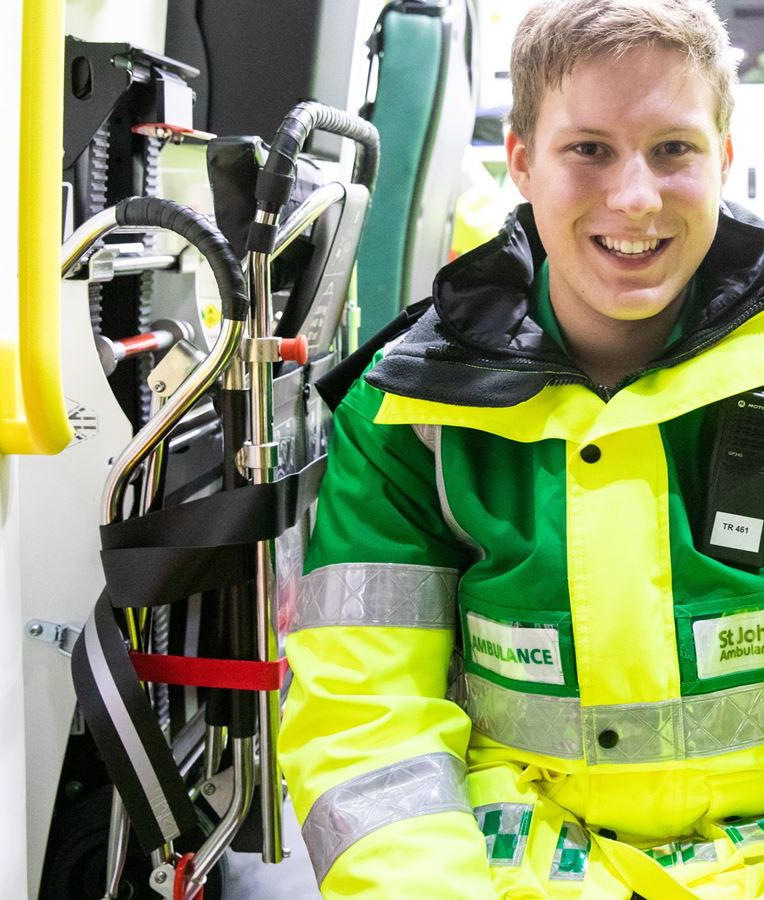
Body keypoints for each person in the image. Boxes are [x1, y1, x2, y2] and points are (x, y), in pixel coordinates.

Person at [278, 1, 764, 897]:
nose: (634, 198)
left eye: (673, 150)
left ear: (722, 160)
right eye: (589, 149)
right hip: (516, 866)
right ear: (523, 164)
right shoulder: (404, 409)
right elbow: (367, 724)